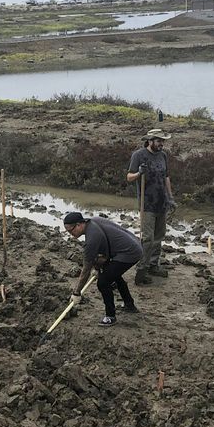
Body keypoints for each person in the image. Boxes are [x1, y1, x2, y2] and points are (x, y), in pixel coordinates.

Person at [62, 212, 142, 326]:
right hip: (131, 245)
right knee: (113, 274)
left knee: (103, 282)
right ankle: (129, 305)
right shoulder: (92, 221)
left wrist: (77, 292)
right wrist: (99, 267)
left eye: (71, 230)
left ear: (79, 224)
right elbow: (104, 252)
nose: (70, 234)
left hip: (129, 253)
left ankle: (110, 316)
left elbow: (85, 270)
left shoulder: (92, 239)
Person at [125, 128, 174, 286]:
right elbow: (129, 177)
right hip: (146, 203)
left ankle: (154, 265)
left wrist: (170, 197)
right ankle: (142, 269)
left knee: (159, 236)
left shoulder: (163, 156)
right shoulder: (139, 155)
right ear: (150, 141)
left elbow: (166, 177)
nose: (161, 144)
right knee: (147, 238)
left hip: (162, 202)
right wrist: (139, 173)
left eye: (162, 141)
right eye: (159, 141)